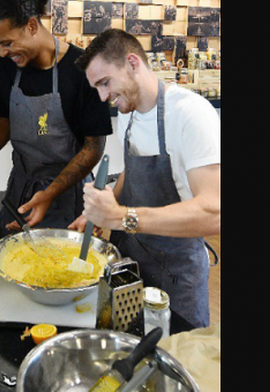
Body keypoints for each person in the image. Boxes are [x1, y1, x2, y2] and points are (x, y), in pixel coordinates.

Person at [69, 28, 220, 328]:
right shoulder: (131, 111)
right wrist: (106, 207)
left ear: (133, 64)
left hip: (176, 275)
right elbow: (133, 170)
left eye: (104, 83)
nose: (102, 97)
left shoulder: (190, 115)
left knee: (174, 357)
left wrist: (123, 217)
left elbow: (213, 211)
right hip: (132, 263)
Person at [0, 0, 112, 239]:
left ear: (32, 26)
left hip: (70, 193)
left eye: (8, 43)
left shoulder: (83, 70)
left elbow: (93, 147)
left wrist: (49, 193)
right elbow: (4, 123)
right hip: (21, 188)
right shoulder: (7, 67)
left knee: (61, 267)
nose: (2, 52)